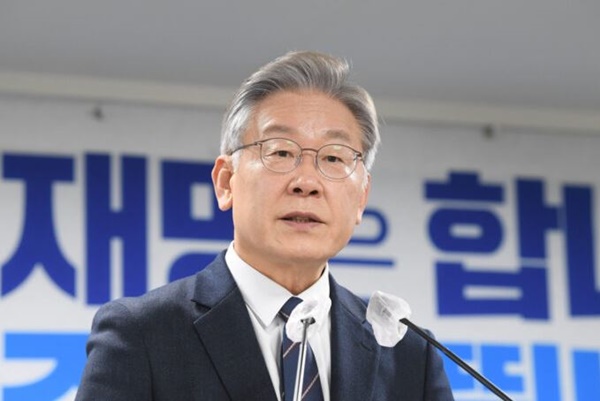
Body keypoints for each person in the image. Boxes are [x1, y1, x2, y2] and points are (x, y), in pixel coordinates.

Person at [75, 50, 454, 401]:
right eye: (281, 152)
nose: (307, 182)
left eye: (334, 158)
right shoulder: (143, 334)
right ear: (226, 182)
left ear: (361, 198)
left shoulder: (410, 355)